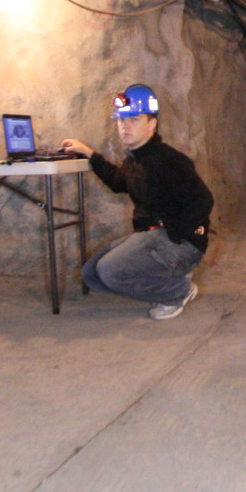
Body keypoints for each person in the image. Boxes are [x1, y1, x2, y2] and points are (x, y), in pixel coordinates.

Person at [60, 83, 213, 320]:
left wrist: (177, 235)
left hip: (180, 242)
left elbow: (203, 200)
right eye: (122, 120)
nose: (125, 126)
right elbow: (118, 182)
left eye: (134, 119)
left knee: (110, 271)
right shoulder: (135, 160)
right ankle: (168, 278)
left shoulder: (168, 160)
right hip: (151, 235)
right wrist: (89, 154)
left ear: (152, 124)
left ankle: (177, 292)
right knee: (92, 274)